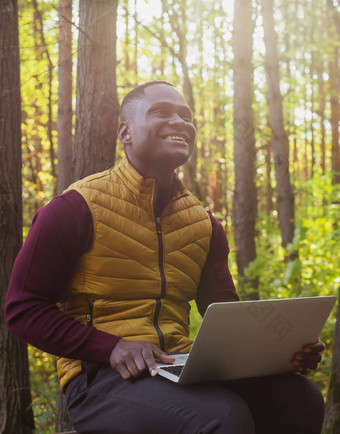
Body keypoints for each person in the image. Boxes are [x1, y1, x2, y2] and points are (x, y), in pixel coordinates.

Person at [5, 81, 325, 433]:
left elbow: (227, 317)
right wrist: (111, 347)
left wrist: (280, 352)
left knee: (300, 397)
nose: (180, 121)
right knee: (223, 415)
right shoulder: (74, 208)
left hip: (179, 367)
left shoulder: (204, 225)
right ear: (125, 131)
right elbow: (23, 308)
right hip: (99, 376)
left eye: (186, 115)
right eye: (161, 112)